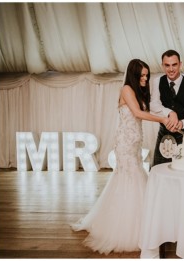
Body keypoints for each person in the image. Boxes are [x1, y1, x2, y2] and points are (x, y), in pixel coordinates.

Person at [71, 59, 172, 254]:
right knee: (130, 180)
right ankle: (128, 229)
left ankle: (143, 224)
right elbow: (137, 113)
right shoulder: (126, 89)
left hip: (134, 144)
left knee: (133, 179)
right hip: (125, 145)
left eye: (146, 75)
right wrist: (163, 120)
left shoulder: (137, 92)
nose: (145, 79)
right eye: (141, 76)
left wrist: (166, 113)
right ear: (133, 76)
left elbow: (146, 111)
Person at [151, 50, 184, 166]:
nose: (171, 69)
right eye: (167, 65)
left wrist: (182, 123)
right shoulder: (157, 82)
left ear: (180, 64)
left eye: (174, 65)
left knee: (183, 170)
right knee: (159, 170)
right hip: (163, 135)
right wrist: (170, 112)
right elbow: (153, 105)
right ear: (162, 66)